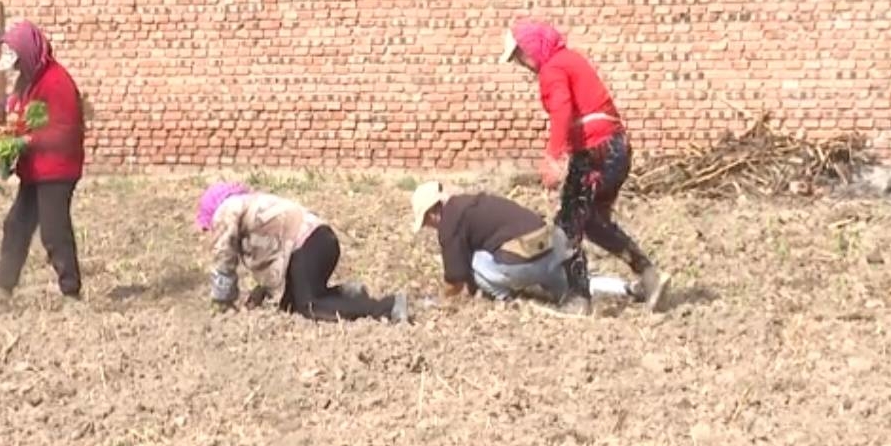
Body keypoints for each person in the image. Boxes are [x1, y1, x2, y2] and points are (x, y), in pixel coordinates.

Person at [500, 20, 669, 314]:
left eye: (520, 55)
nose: (522, 63)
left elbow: (562, 109)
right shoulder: (571, 60)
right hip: (616, 150)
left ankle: (578, 298)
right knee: (591, 222)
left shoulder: (552, 69)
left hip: (594, 153)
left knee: (567, 225)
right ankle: (649, 275)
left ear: (532, 47)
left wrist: (553, 157)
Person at [197, 182, 409, 323]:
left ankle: (387, 306)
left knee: (310, 305)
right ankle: (348, 293)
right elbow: (273, 256)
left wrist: (221, 302)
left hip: (308, 244)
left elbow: (223, 256)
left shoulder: (226, 210)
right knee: (291, 304)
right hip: (318, 241)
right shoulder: (250, 203)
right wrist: (264, 291)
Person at [409, 181, 639, 309]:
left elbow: (456, 278)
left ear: (432, 214)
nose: (429, 227)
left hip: (523, 263)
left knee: (474, 260)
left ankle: (506, 299)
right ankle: (628, 288)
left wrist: (443, 300)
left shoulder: (450, 222)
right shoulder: (473, 203)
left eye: (426, 222)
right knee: (576, 285)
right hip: (551, 249)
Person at [0, 20, 86, 299]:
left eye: (19, 62)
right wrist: (9, 145)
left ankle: (71, 291)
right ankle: (2, 287)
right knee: (16, 225)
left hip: (58, 170)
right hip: (36, 170)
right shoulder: (28, 82)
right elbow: (25, 121)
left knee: (53, 231)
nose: (16, 69)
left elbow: (65, 131)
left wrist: (27, 141)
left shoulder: (57, 82)